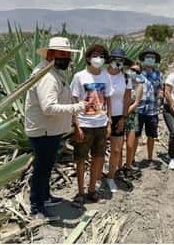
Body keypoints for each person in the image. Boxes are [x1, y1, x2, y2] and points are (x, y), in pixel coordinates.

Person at [24, 37, 86, 217]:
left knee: (46, 166)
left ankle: (45, 197)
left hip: (48, 130)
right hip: (43, 131)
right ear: (50, 54)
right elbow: (49, 107)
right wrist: (78, 107)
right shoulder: (47, 77)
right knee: (42, 168)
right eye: (62, 54)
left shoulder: (51, 72)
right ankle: (36, 205)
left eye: (67, 55)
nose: (66, 58)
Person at [71, 44, 112, 205]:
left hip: (101, 124)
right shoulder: (79, 76)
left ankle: (92, 189)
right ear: (88, 58)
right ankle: (80, 192)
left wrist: (109, 122)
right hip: (85, 124)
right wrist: (77, 125)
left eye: (102, 56)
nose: (98, 59)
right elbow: (74, 101)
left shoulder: (106, 76)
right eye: (95, 55)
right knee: (80, 159)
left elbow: (107, 100)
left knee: (98, 157)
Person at [104, 48, 131, 191]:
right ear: (110, 60)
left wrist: (123, 118)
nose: (118, 62)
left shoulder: (126, 78)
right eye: (115, 59)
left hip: (118, 116)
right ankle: (96, 179)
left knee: (116, 150)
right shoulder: (102, 75)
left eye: (120, 60)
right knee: (100, 149)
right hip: (101, 117)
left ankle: (110, 177)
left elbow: (127, 99)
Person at [133, 47, 162, 167]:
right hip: (138, 109)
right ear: (143, 59)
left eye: (152, 58)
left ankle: (150, 158)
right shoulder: (137, 73)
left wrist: (160, 96)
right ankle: (132, 159)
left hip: (152, 110)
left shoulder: (158, 74)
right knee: (135, 135)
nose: (150, 59)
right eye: (148, 57)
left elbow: (160, 89)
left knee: (151, 136)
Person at [123, 62, 144, 172]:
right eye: (132, 69)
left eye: (137, 71)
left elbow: (136, 103)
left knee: (130, 144)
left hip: (131, 115)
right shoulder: (122, 81)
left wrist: (125, 113)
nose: (134, 72)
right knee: (119, 143)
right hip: (119, 114)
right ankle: (118, 167)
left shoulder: (139, 85)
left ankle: (128, 164)